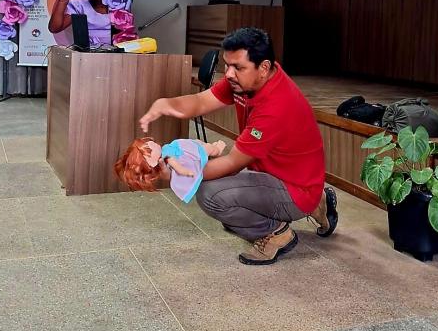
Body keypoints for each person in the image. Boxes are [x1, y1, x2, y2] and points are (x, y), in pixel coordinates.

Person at [139, 27, 338, 266]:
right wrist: (166, 104)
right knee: (221, 192)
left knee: (211, 195)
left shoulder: (276, 106)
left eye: (237, 67)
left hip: (293, 188)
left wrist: (178, 175)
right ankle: (316, 202)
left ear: (263, 67)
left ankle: (276, 232)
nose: (229, 74)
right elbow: (201, 101)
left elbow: (232, 162)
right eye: (227, 65)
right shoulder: (249, 79)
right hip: (277, 173)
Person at [115, 136, 227, 202]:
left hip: (187, 147)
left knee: (199, 143)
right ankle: (217, 149)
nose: (151, 143)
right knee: (207, 149)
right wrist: (187, 172)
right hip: (190, 153)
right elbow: (179, 168)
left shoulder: (164, 153)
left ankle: (211, 147)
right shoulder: (168, 157)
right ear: (153, 161)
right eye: (150, 149)